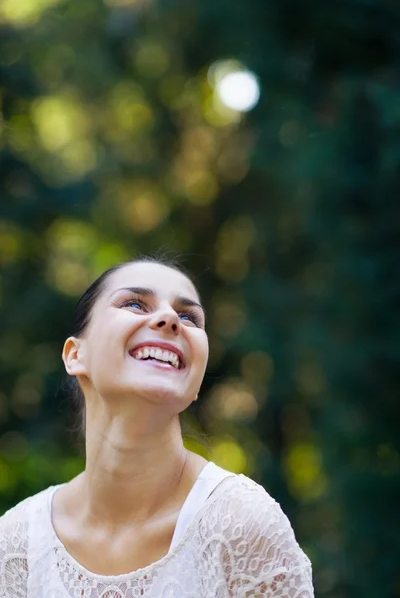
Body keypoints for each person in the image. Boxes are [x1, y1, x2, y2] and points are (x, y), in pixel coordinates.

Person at [0, 256, 314, 597]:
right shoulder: (18, 545)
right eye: (134, 303)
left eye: (189, 317)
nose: (169, 319)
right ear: (76, 355)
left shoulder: (242, 525)